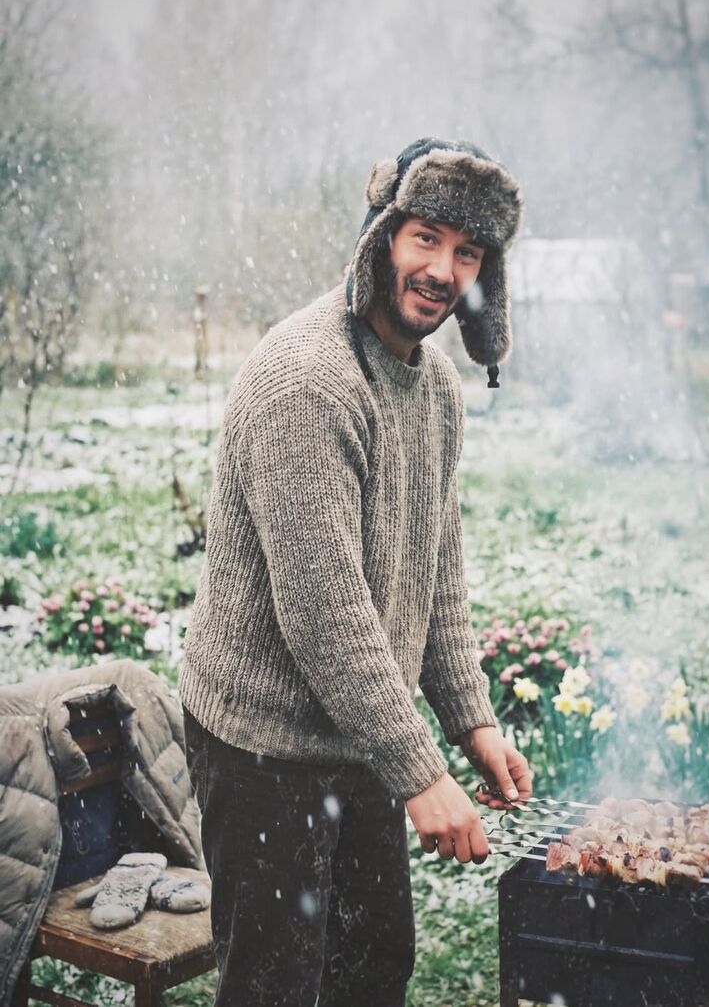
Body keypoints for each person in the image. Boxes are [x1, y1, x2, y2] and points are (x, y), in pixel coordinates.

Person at [179, 136, 532, 1007]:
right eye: (426, 238)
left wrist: (471, 722)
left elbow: (436, 572)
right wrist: (423, 776)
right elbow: (324, 616)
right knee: (275, 987)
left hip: (360, 734)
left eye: (467, 252)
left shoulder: (436, 387)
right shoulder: (309, 383)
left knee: (373, 971)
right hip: (262, 743)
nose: (442, 270)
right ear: (382, 238)